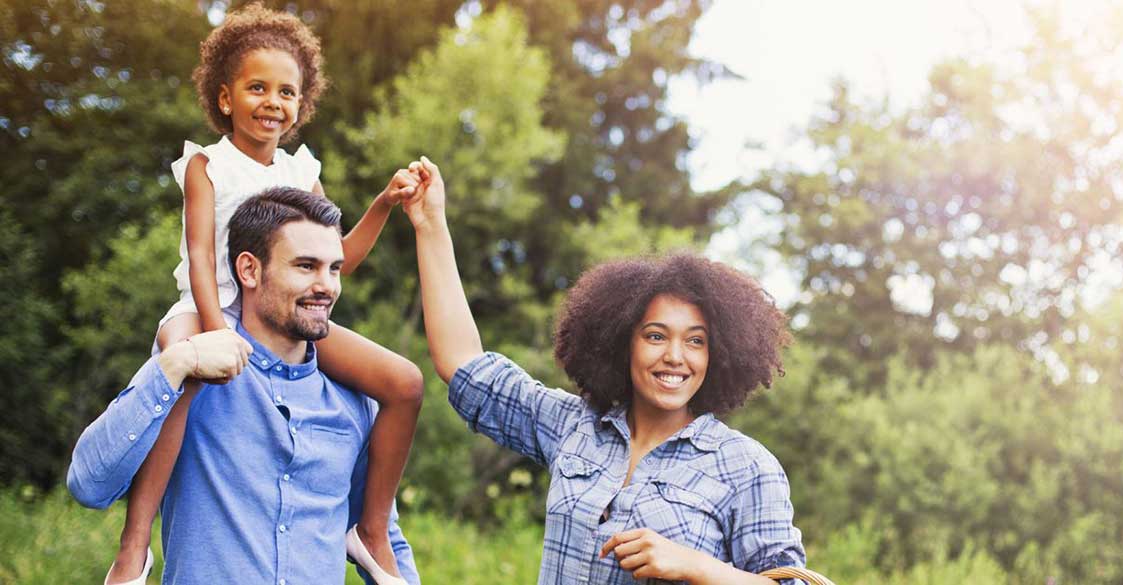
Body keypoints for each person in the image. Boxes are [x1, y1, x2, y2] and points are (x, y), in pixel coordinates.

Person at [100, 4, 422, 584]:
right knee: (178, 376)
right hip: (207, 304)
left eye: (287, 92)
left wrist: (384, 202)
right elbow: (200, 254)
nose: (273, 102)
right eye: (257, 88)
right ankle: (135, 543)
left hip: (280, 314)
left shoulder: (302, 172)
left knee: (404, 382)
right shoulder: (207, 165)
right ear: (226, 98)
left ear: (302, 103)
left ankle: (369, 527)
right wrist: (212, 333)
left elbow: (339, 254)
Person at [400, 158, 807, 584]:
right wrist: (430, 225)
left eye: (695, 341)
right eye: (655, 336)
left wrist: (698, 566)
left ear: (717, 354)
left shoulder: (744, 466)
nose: (675, 356)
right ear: (621, 342)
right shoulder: (573, 426)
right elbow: (462, 364)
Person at [68, 187, 421, 584]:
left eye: (334, 268)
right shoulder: (190, 380)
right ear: (249, 270)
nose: (327, 286)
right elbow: (89, 485)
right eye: (306, 266)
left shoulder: (353, 402)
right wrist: (174, 364)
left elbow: (382, 534)